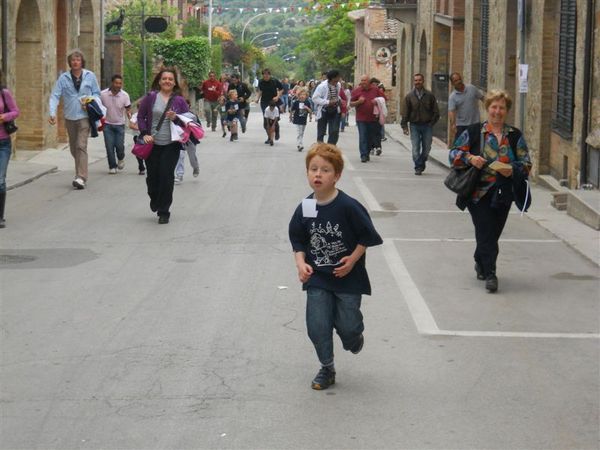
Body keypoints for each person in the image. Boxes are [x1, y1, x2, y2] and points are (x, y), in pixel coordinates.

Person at [288, 143, 383, 390]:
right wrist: (300, 263)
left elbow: (367, 236)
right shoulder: (307, 206)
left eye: (325, 170)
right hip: (318, 277)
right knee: (317, 326)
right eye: (313, 169)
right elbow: (297, 238)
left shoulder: (348, 206)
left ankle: (354, 338)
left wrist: (352, 260)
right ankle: (327, 368)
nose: (318, 174)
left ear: (337, 176)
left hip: (347, 278)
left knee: (348, 326)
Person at [449, 89, 532, 293]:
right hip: (478, 193)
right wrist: (470, 158)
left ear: (507, 111)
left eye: (501, 108)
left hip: (504, 193)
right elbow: (453, 154)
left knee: (492, 233)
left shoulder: (514, 135)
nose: (497, 111)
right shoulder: (475, 131)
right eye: (494, 107)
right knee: (485, 230)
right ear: (487, 108)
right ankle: (491, 274)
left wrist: (511, 168)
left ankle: (480, 259)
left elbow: (526, 163)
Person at [137, 68, 189, 224]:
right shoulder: (150, 98)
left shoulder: (179, 100)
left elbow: (188, 121)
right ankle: (154, 197)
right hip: (152, 144)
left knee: (166, 177)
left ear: (174, 83)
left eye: (170, 79)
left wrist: (176, 118)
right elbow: (141, 116)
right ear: (159, 81)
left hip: (171, 145)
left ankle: (164, 211)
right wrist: (145, 133)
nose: (167, 81)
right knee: (153, 177)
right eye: (164, 78)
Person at [49, 49, 101, 189]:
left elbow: (97, 94)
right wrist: (52, 112)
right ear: (70, 62)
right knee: (73, 148)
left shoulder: (90, 76)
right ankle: (80, 171)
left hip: (84, 116)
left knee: (81, 145)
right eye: (73, 60)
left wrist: (89, 100)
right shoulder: (63, 78)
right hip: (70, 117)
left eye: (78, 59)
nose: (75, 62)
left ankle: (81, 177)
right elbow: (55, 95)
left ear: (81, 62)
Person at [401, 73, 440, 175]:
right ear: (413, 82)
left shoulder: (430, 95)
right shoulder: (409, 96)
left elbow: (436, 112)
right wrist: (404, 126)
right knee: (415, 148)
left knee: (427, 148)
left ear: (423, 81)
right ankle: (418, 167)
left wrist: (431, 123)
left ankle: (421, 161)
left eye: (419, 80)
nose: (417, 82)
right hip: (414, 125)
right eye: (416, 80)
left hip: (427, 126)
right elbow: (405, 113)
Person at [0, 70, 20, 228]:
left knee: (0, 180)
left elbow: (15, 111)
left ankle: (0, 217)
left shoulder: (3, 93)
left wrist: (4, 117)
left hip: (2, 143)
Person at [100, 74, 131, 174]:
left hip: (120, 124)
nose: (118, 85)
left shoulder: (125, 95)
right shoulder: (103, 94)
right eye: (116, 83)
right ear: (112, 83)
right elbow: (98, 106)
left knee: (119, 146)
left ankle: (121, 158)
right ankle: (112, 166)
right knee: (109, 146)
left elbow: (128, 109)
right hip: (107, 124)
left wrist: (130, 116)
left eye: (120, 83)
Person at [350, 75, 380, 163]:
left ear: (369, 82)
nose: (363, 82)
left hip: (373, 118)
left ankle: (367, 152)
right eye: (362, 80)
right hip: (361, 118)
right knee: (363, 136)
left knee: (370, 137)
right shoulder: (357, 91)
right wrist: (358, 102)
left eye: (365, 80)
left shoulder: (375, 90)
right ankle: (363, 155)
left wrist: (377, 101)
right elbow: (351, 104)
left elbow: (384, 99)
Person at [448, 72, 484, 144]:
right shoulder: (452, 97)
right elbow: (451, 111)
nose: (459, 82)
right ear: (452, 83)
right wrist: (453, 124)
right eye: (455, 81)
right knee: (461, 148)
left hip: (475, 124)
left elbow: (483, 98)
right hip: (461, 126)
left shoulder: (472, 88)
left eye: (459, 79)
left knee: (475, 148)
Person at [312, 69, 343, 145]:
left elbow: (336, 95)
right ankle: (320, 148)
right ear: (333, 78)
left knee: (334, 131)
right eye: (338, 77)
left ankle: (330, 147)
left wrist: (339, 100)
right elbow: (315, 98)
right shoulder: (322, 86)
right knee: (321, 132)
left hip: (335, 110)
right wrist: (328, 102)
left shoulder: (338, 85)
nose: (339, 78)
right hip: (324, 110)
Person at [256, 69, 283, 143]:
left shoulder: (274, 81)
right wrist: (257, 98)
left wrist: (277, 97)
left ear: (270, 75)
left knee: (275, 119)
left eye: (267, 74)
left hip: (273, 101)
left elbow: (281, 89)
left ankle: (277, 130)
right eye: (264, 74)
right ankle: (269, 138)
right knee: (266, 121)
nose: (266, 76)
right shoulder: (261, 82)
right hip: (264, 102)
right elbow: (260, 91)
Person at [289, 87, 312, 151]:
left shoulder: (307, 102)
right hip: (297, 119)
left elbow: (310, 111)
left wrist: (307, 108)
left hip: (303, 120)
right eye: (301, 94)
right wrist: (290, 116)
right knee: (299, 132)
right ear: (298, 95)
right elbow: (291, 110)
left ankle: (299, 143)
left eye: (304, 94)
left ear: (306, 95)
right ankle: (299, 145)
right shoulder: (296, 102)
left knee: (302, 132)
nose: (302, 96)